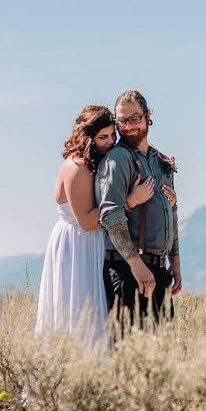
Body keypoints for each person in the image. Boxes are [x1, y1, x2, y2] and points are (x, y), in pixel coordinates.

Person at [34, 105, 160, 346]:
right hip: (77, 247)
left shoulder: (100, 164)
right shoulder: (77, 168)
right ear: (87, 137)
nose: (111, 141)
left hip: (96, 245)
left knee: (99, 320)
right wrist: (131, 200)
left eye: (113, 135)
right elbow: (87, 221)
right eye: (103, 137)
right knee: (80, 314)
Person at [97, 91, 181, 330]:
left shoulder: (159, 160)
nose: (128, 126)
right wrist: (136, 265)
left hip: (158, 270)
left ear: (148, 116)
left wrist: (175, 261)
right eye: (122, 121)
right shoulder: (118, 160)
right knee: (129, 357)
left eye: (134, 118)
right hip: (128, 271)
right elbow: (111, 216)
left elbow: (172, 212)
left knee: (161, 357)